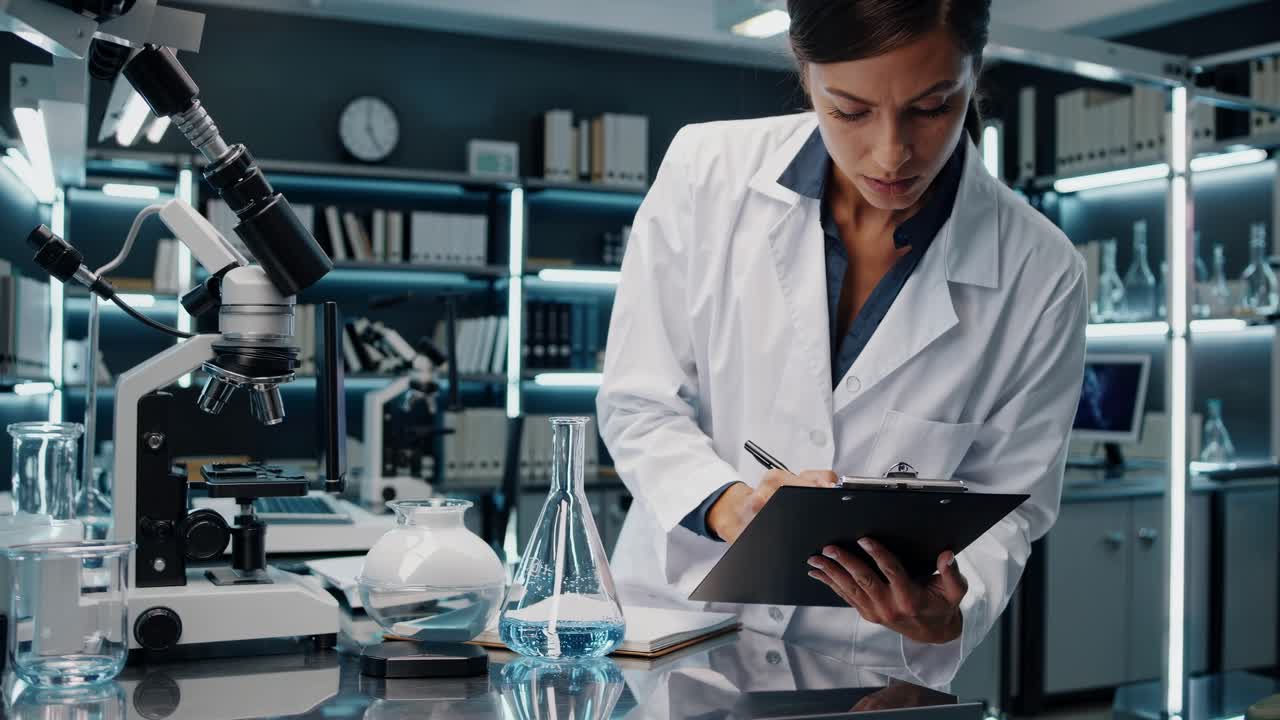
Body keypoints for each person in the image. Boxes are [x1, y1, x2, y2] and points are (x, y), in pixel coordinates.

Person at [596, 0, 1087, 688]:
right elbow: (638, 402)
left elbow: (1015, 499)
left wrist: (951, 608)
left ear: (974, 75)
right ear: (805, 73)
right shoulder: (706, 170)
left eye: (932, 107)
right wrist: (732, 506)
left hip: (863, 667)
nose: (891, 153)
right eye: (850, 111)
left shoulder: (1040, 269)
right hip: (677, 638)